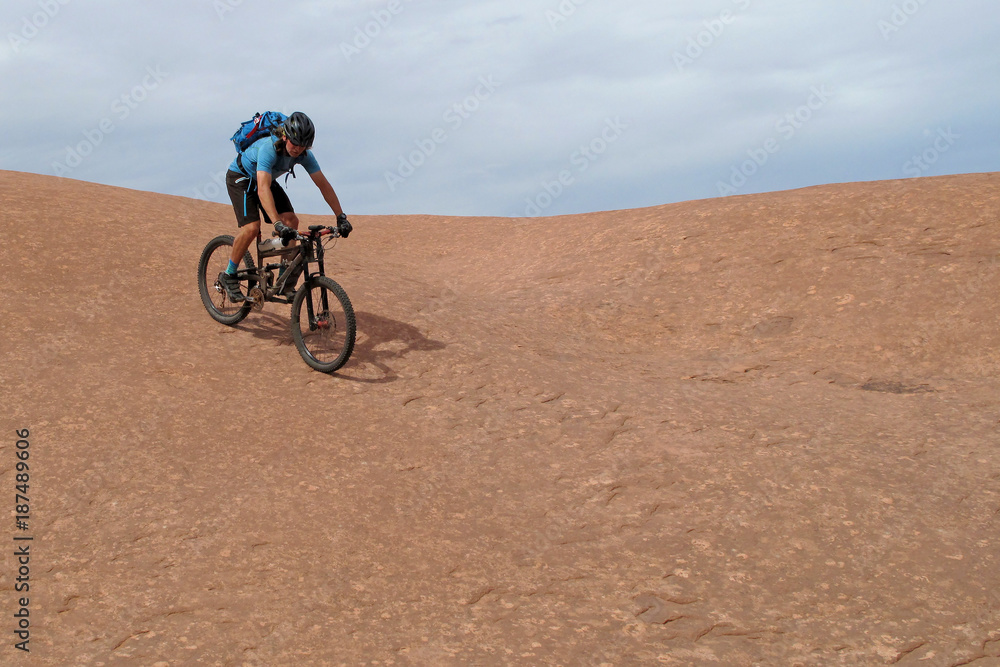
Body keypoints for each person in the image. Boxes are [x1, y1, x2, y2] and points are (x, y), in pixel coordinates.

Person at [219, 111, 351, 301]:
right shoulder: (268, 148)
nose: (298, 149)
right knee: (251, 228)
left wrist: (341, 216)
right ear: (284, 136)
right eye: (294, 143)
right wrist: (276, 224)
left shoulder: (305, 155)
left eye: (303, 146)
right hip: (241, 178)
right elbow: (262, 189)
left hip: (265, 179)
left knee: (291, 221)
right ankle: (229, 274)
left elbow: (323, 185)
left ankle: (283, 280)